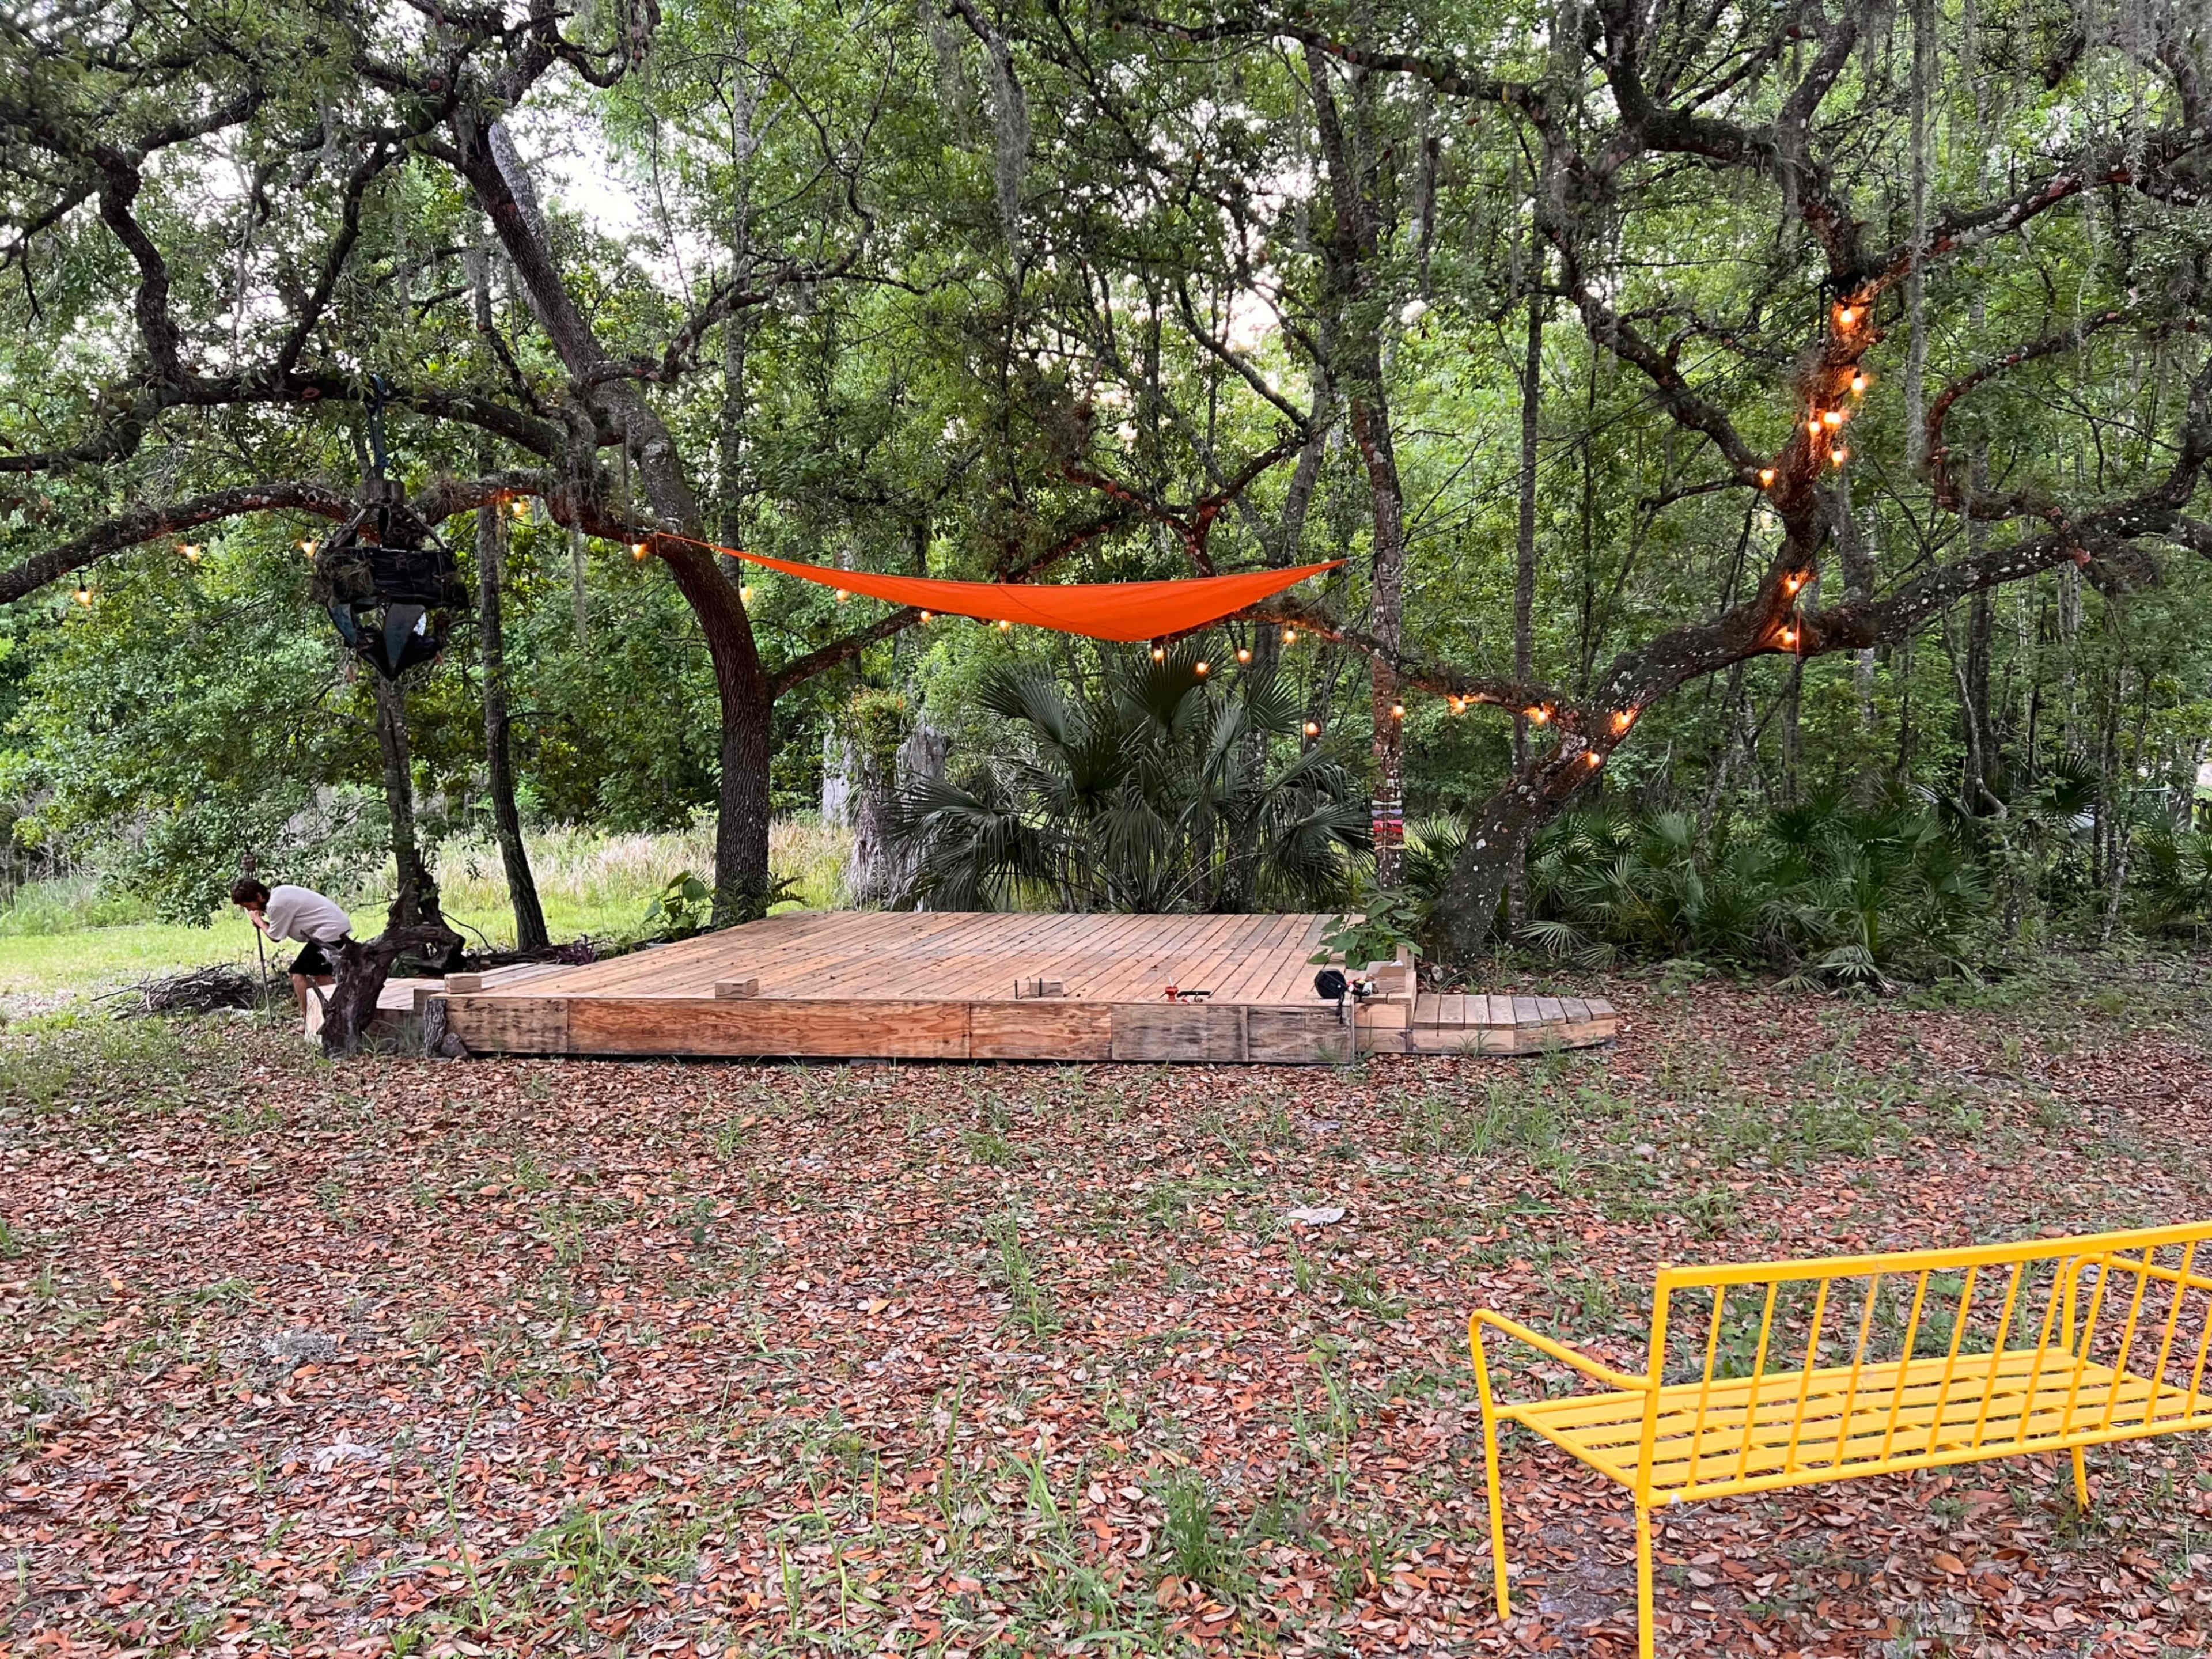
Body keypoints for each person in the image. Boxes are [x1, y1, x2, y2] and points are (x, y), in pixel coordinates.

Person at [231, 877, 353, 1011]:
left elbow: (275, 936)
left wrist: (258, 920)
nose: (250, 910)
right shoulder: (278, 894)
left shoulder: (276, 905)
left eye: (248, 906)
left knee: (297, 973)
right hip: (336, 927)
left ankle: (309, 1020)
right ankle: (334, 1013)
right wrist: (262, 919)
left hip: (330, 931)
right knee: (320, 974)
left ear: (259, 897)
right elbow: (277, 927)